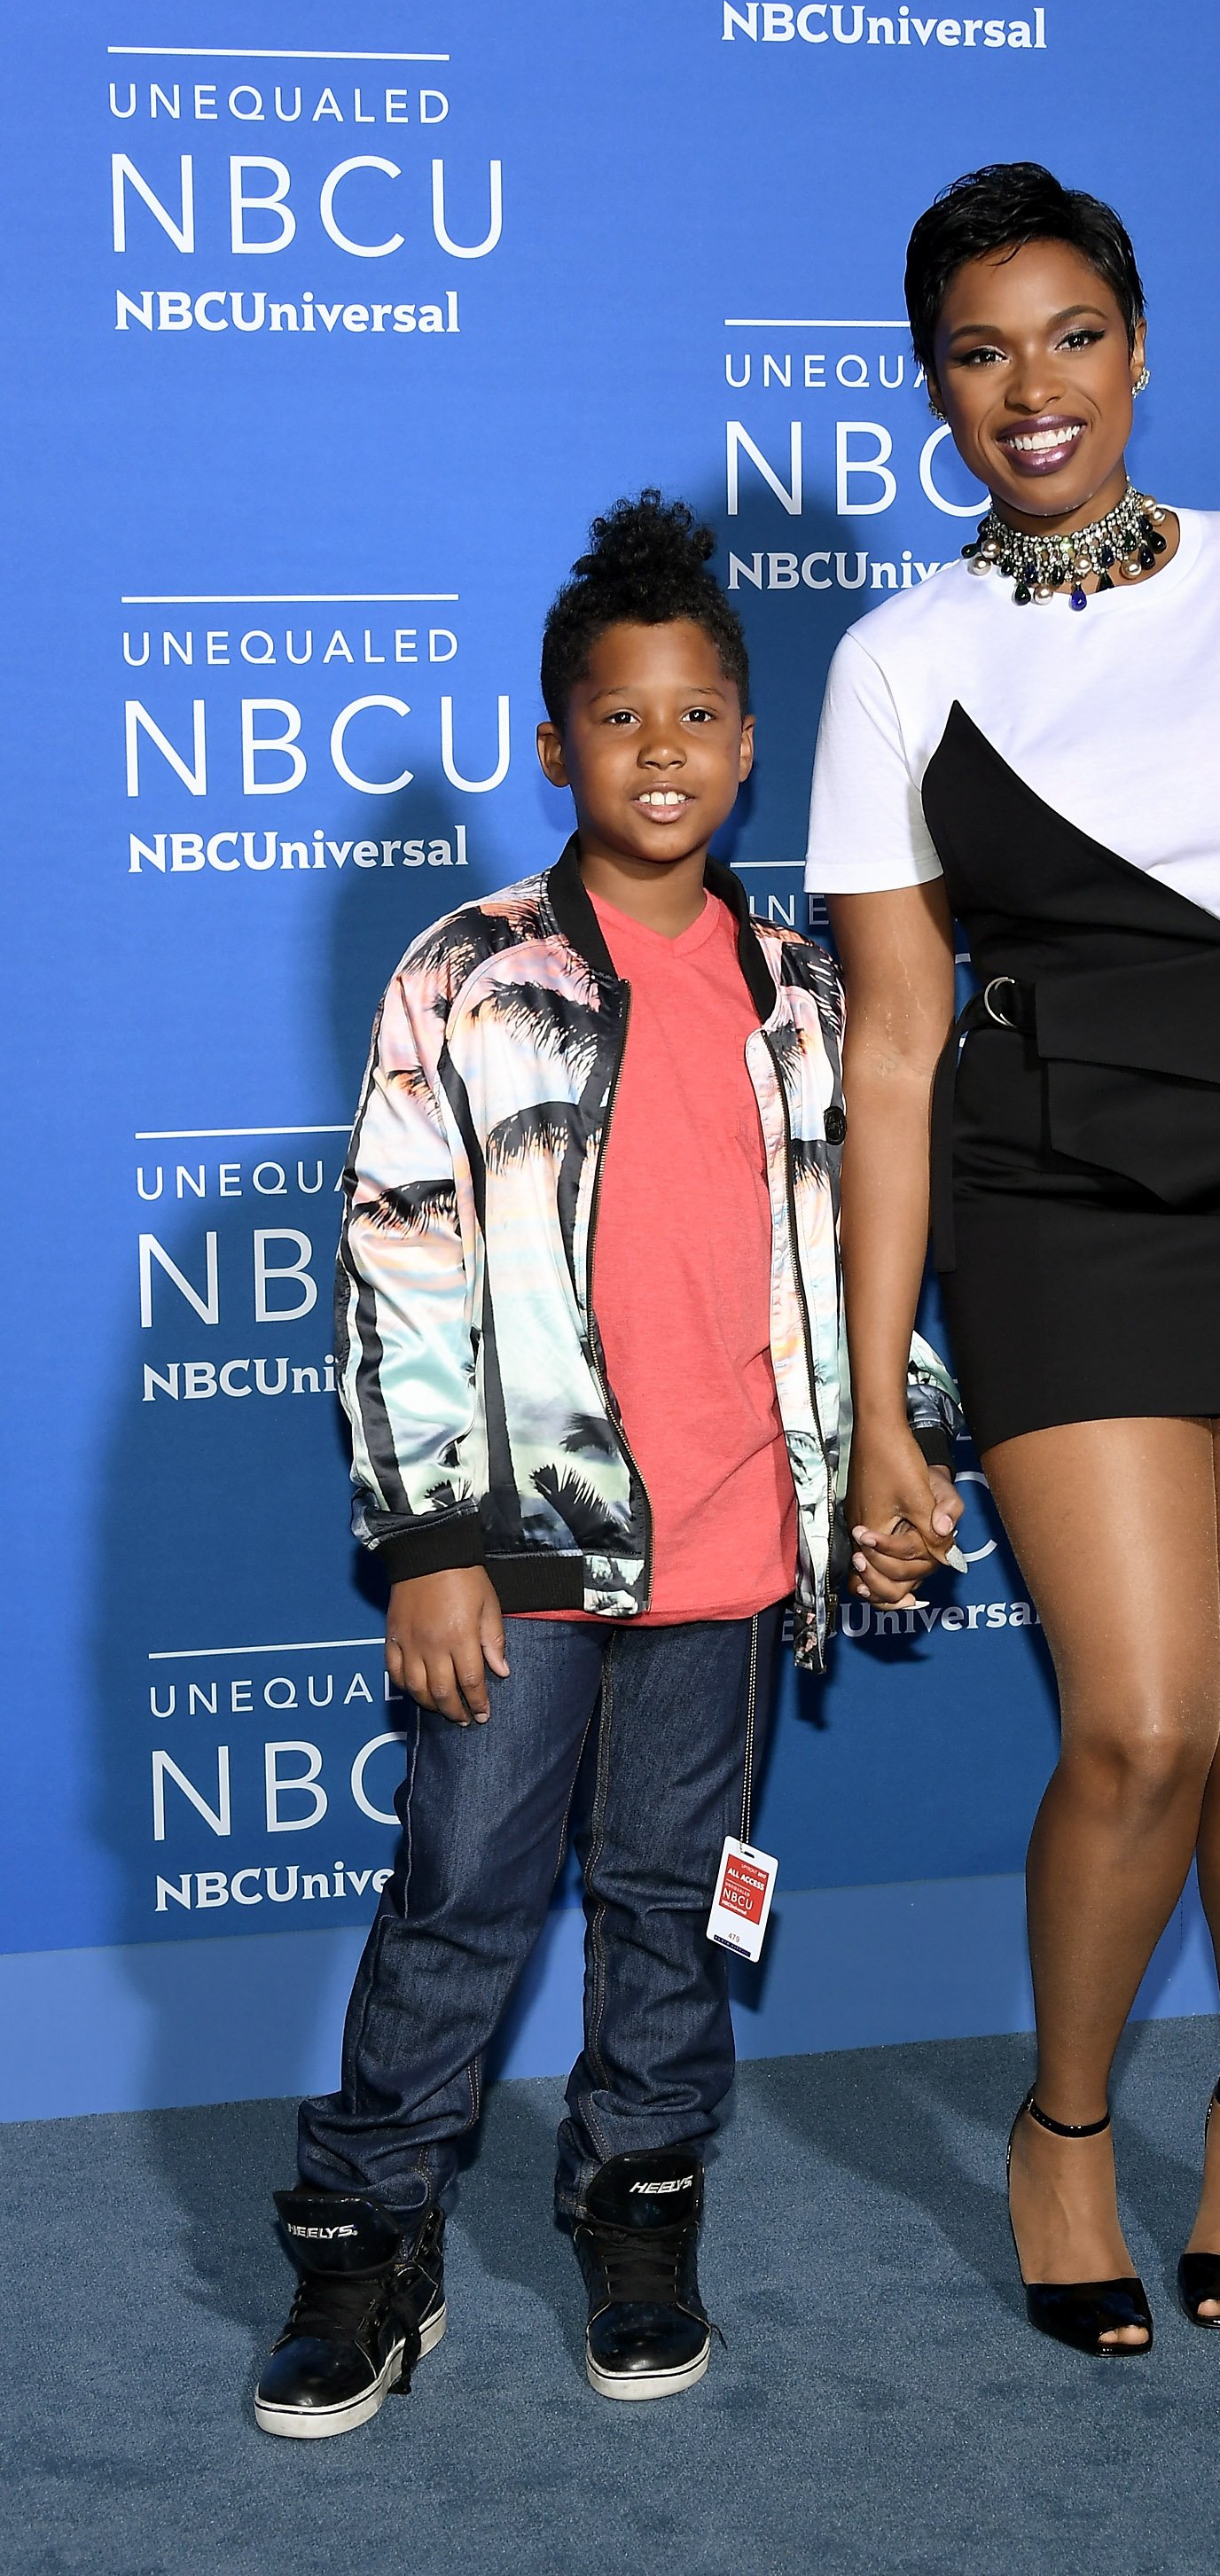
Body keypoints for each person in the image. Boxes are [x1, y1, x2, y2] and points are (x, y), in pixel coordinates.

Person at [809, 164, 1220, 2358]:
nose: (1033, 388)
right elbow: (896, 1045)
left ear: (1138, 347)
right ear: (930, 385)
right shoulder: (897, 662)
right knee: (1142, 1722)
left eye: (1072, 335)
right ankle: (1068, 2129)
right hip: (1058, 1208)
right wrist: (878, 1384)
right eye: (983, 350)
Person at [254, 494, 960, 2438]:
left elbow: (863, 1251)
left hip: (737, 1555)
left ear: (750, 743)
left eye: (704, 716)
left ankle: (641, 2211)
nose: (666, 753)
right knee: (464, 1890)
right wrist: (429, 1541)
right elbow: (400, 1269)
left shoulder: (808, 989)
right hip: (527, 1554)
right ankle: (368, 2243)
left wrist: (890, 1463)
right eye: (623, 719)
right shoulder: (468, 976)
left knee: (674, 1902)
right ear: (555, 742)